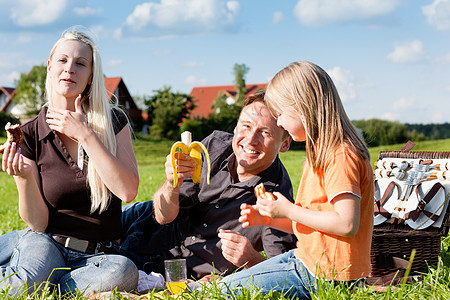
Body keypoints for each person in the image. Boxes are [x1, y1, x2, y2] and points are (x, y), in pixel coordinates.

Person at [0, 28, 139, 297]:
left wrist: (85, 134)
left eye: (80, 63)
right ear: (50, 67)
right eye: (62, 60)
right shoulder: (29, 133)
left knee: (124, 272)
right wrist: (24, 177)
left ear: (90, 76)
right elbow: (38, 224)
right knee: (25, 284)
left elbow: (128, 191)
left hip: (99, 256)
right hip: (46, 243)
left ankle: (53, 288)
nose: (70, 69)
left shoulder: (113, 122)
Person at [220, 61, 374, 299]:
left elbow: (346, 224)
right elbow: (315, 223)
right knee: (227, 284)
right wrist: (270, 219)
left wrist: (289, 210)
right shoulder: (319, 154)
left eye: (280, 114)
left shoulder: (341, 155)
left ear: (302, 108)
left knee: (224, 290)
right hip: (309, 263)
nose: (279, 122)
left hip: (327, 277)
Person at [119, 90, 297, 281]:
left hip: (159, 269)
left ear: (285, 144)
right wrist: (172, 184)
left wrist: (251, 259)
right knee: (91, 222)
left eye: (265, 132)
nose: (251, 139)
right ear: (236, 128)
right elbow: (163, 217)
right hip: (145, 227)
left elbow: (283, 275)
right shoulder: (214, 146)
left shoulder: (277, 198)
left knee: (110, 275)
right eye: (246, 126)